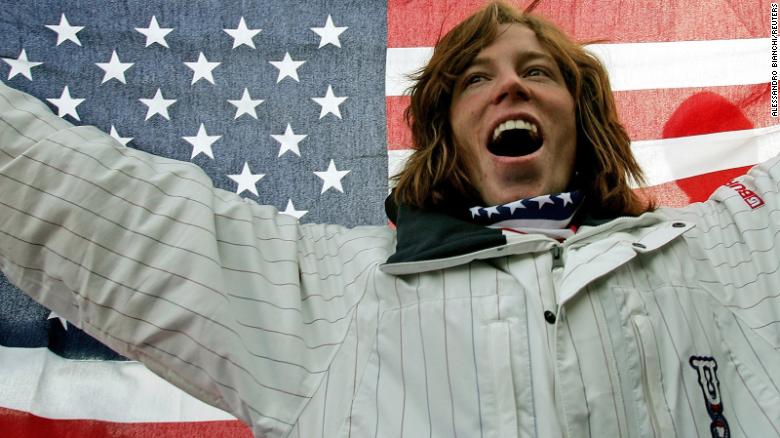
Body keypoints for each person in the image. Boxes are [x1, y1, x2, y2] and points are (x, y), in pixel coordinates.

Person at [0, 1, 778, 436]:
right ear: (446, 130)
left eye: (536, 71)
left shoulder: (712, 254)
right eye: (478, 77)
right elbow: (101, 210)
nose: (511, 86)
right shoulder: (337, 292)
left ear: (581, 119)